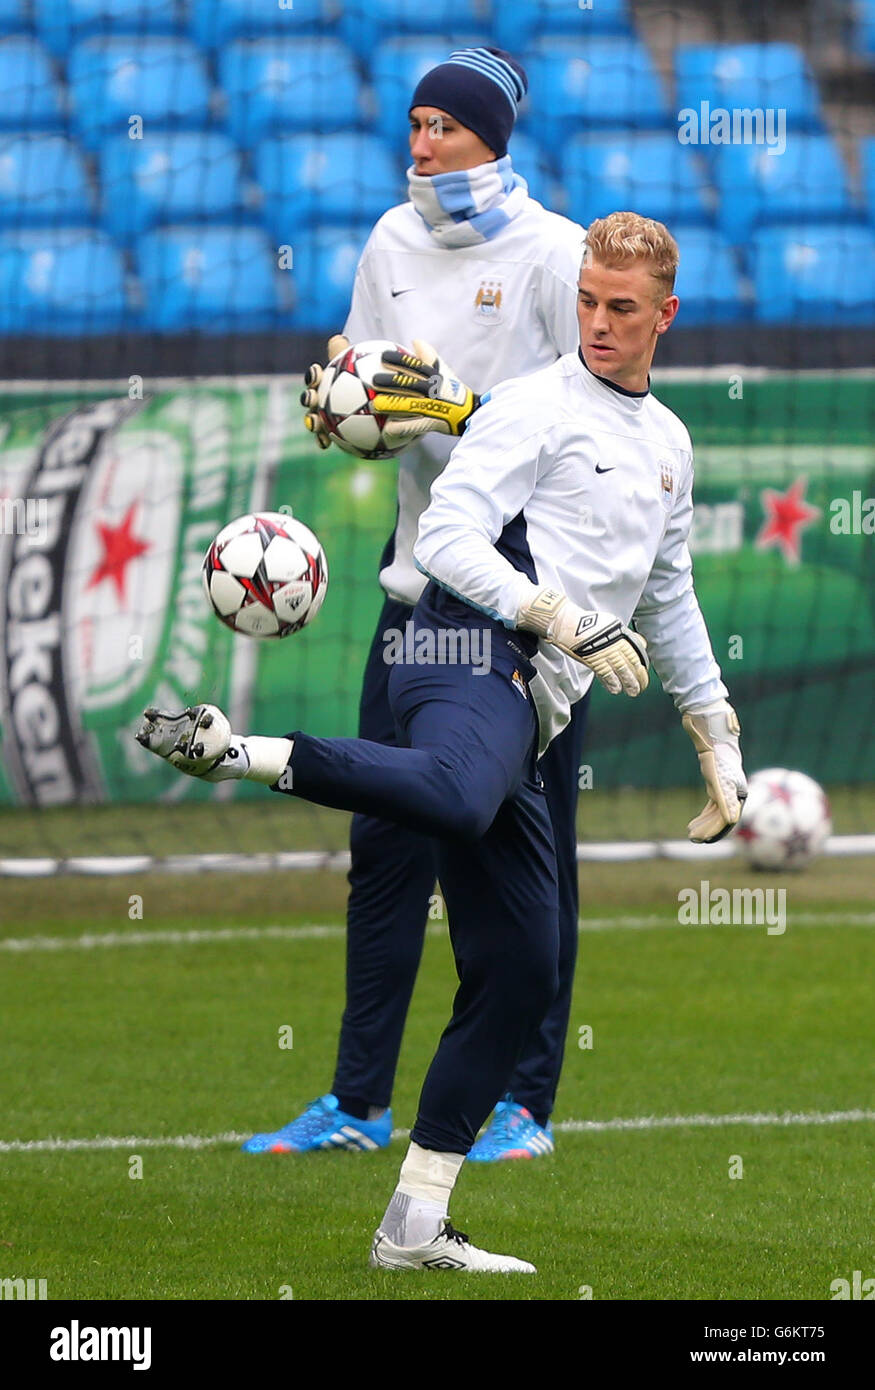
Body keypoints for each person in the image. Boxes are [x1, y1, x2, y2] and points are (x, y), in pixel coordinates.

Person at [138, 211, 748, 1272]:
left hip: (529, 705)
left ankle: (413, 1224)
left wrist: (714, 737)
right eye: (587, 301)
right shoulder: (528, 406)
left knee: (520, 966)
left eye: (620, 308)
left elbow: (671, 594)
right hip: (462, 648)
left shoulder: (667, 444)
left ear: (664, 316)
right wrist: (554, 613)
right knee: (459, 799)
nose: (598, 323)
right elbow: (448, 538)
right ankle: (238, 751)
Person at [246, 46, 591, 1160]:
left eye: (444, 122)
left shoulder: (556, 253)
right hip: (414, 593)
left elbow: (587, 429)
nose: (422, 140)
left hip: (524, 605)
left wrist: (462, 403)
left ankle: (524, 1104)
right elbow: (362, 374)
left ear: (491, 136)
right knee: (383, 853)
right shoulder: (390, 240)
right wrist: (338, 406)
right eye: (414, 121)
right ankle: (355, 1104)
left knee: (531, 862)